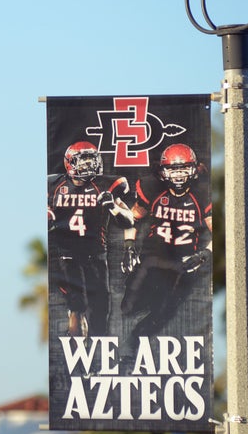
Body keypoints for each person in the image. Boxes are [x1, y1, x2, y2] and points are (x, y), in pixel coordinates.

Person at [120, 143, 212, 340]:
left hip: (183, 262)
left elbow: (219, 230)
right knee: (128, 308)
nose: (178, 176)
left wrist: (205, 253)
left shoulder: (202, 194)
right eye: (172, 169)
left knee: (164, 311)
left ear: (194, 169)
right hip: (152, 258)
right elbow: (131, 218)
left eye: (184, 169)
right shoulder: (154, 188)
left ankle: (135, 341)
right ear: (163, 172)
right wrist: (129, 246)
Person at [48, 141, 134, 338]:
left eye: (91, 161)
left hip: (95, 253)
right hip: (65, 254)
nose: (88, 166)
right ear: (70, 163)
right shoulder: (54, 185)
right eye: (83, 162)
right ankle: (77, 350)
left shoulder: (105, 185)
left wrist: (112, 206)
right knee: (76, 304)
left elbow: (129, 220)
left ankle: (99, 350)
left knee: (101, 306)